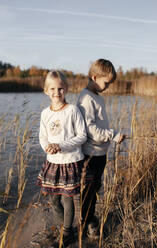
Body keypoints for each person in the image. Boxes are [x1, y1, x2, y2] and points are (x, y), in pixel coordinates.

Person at [37, 70, 87, 246]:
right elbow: (43, 137)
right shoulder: (45, 113)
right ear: (46, 91)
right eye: (52, 89)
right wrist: (48, 148)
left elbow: (82, 136)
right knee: (54, 199)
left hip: (70, 160)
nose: (56, 93)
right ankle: (65, 227)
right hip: (53, 162)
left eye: (60, 88)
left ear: (66, 89)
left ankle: (67, 232)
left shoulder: (72, 110)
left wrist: (61, 146)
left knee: (67, 198)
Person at [77, 58, 124, 239]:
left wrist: (112, 136)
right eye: (106, 83)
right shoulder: (86, 98)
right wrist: (112, 134)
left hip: (100, 153)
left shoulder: (96, 96)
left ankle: (89, 218)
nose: (108, 87)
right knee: (88, 191)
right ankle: (85, 223)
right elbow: (90, 129)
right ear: (95, 77)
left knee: (95, 187)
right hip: (90, 154)